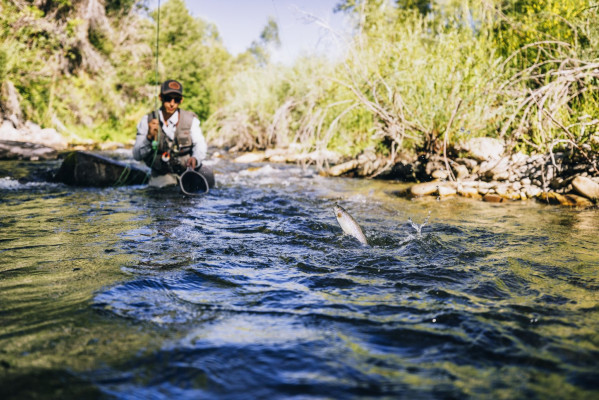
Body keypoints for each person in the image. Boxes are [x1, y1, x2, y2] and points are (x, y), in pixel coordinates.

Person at [133, 79, 207, 188]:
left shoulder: (191, 120)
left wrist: (196, 158)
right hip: (161, 175)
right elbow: (137, 156)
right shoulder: (147, 120)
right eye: (168, 99)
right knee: (167, 186)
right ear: (160, 98)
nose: (172, 104)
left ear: (181, 100)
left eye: (176, 100)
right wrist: (148, 138)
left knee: (208, 178)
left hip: (187, 173)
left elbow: (200, 145)